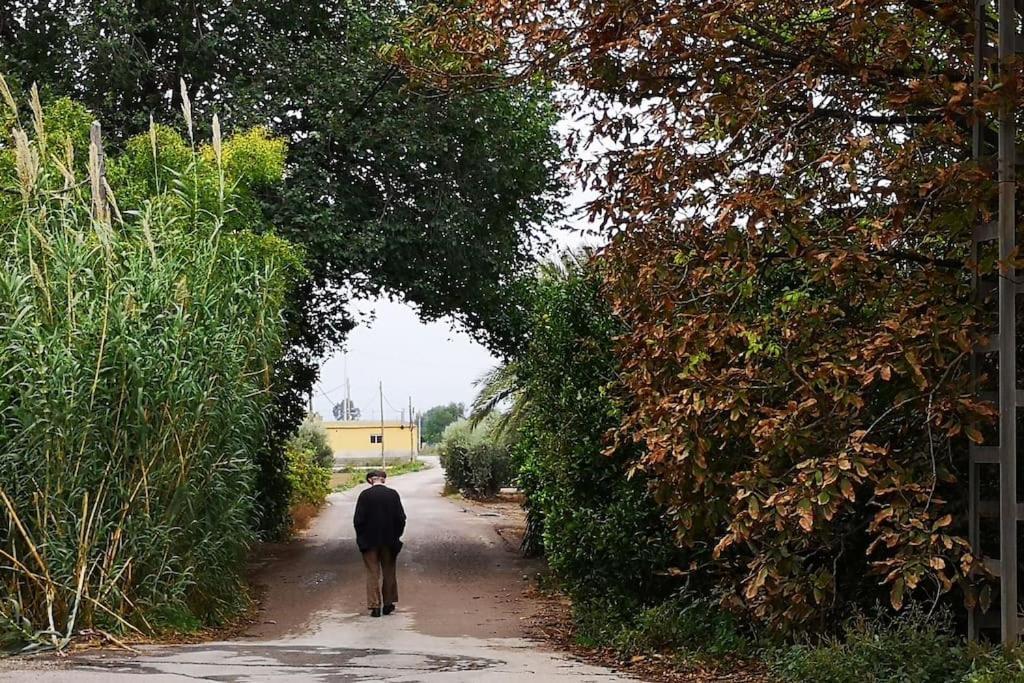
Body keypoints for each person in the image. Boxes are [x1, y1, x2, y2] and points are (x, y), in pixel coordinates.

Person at [353, 468, 406, 617]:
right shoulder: (393, 494)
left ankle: (375, 606)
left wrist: (361, 538)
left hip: (369, 541)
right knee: (389, 571)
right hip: (389, 540)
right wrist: (396, 535)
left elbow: (358, 520)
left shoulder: (364, 495)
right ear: (383, 479)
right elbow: (401, 518)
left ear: (370, 480)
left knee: (372, 573)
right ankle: (388, 604)